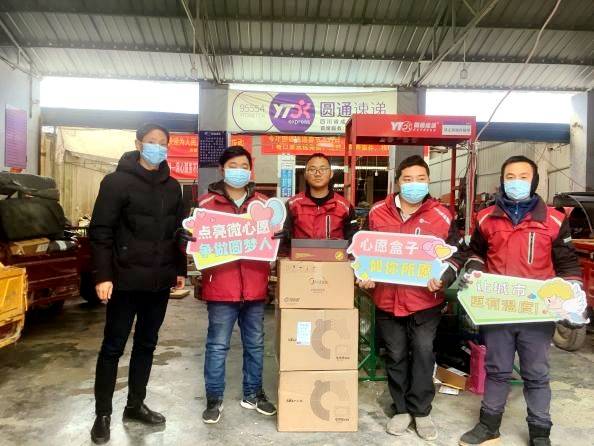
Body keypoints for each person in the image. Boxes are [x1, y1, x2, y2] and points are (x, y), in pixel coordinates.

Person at [459, 156, 583, 446]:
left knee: (536, 373)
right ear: (502, 181)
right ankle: (488, 426)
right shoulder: (485, 217)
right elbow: (476, 253)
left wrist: (572, 301)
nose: (516, 181)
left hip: (537, 313)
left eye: (523, 176)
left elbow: (568, 266)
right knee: (497, 370)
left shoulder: (554, 220)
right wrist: (474, 270)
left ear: (534, 180)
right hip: (498, 310)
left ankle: (540, 432)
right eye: (510, 176)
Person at [89, 123, 191, 444]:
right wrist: (103, 275)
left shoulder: (173, 187)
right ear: (138, 144)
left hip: (158, 282)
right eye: (151, 141)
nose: (157, 147)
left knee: (147, 345)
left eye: (162, 143)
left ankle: (135, 405)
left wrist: (179, 270)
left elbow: (178, 233)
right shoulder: (116, 182)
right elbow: (101, 232)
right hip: (124, 280)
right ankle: (102, 414)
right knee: (113, 347)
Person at [358, 155, 464, 441]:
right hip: (387, 298)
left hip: (425, 300)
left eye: (420, 179)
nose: (414, 184)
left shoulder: (442, 215)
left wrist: (443, 278)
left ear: (428, 181)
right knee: (394, 354)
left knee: (423, 352)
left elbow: (456, 255)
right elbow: (362, 249)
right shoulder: (377, 212)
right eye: (408, 179)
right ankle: (402, 409)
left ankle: (421, 410)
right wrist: (364, 273)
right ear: (398, 182)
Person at [196, 146, 276, 424]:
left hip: (255, 286)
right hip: (221, 287)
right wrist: (187, 240)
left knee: (255, 345)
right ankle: (213, 398)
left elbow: (274, 238)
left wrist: (278, 236)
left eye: (244, 166)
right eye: (233, 165)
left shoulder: (264, 204)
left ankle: (253, 394)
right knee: (217, 346)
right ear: (222, 169)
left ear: (251, 170)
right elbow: (195, 245)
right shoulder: (206, 204)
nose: (239, 171)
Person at [281, 152, 358, 241]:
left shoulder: (345, 207)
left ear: (331, 174)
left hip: (335, 251)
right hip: (301, 251)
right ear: (305, 175)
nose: (318, 173)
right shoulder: (292, 205)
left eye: (323, 169)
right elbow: (284, 239)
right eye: (312, 169)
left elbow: (353, 240)